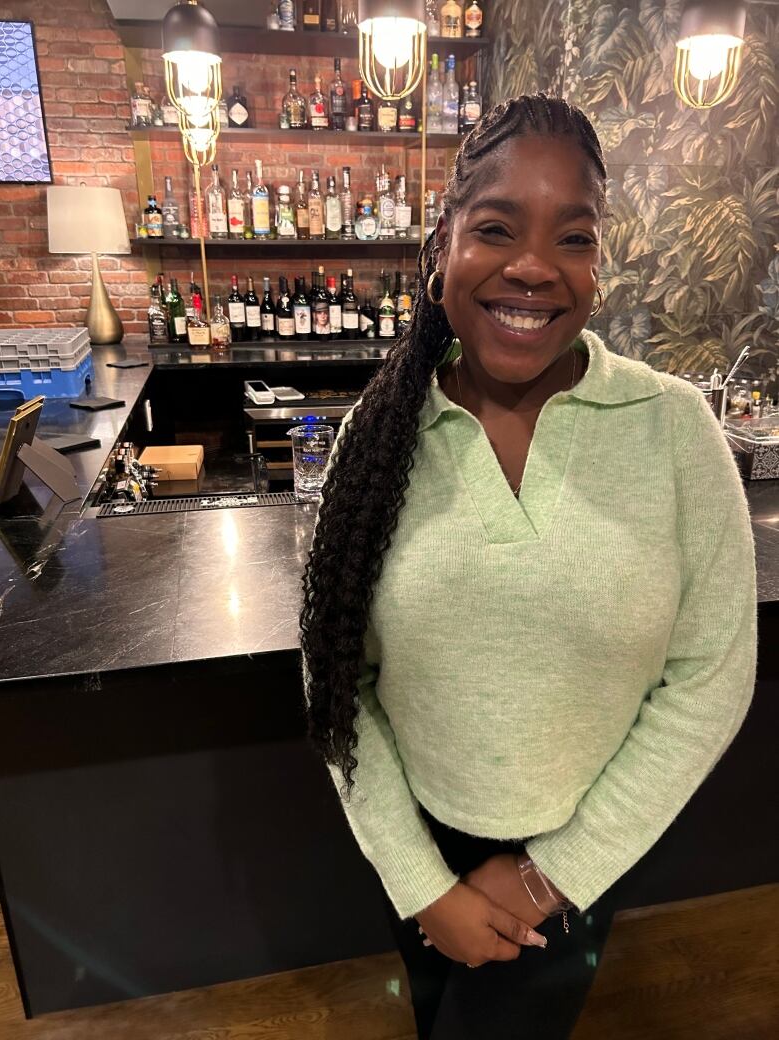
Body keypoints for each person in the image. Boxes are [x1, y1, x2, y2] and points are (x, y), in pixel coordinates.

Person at [299, 93, 757, 1039]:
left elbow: (711, 675)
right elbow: (338, 682)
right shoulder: (376, 440)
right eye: (497, 227)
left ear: (599, 262)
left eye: (574, 239)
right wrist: (424, 887)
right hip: (411, 852)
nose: (534, 268)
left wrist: (552, 873)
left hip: (583, 867)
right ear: (443, 248)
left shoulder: (674, 430)